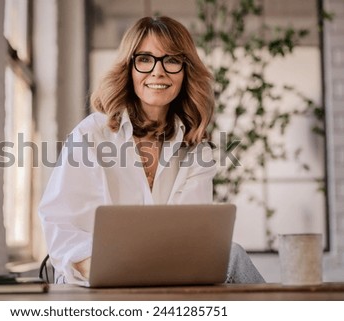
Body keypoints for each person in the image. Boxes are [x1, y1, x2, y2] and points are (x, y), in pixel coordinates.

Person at [38, 16, 264, 285]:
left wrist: (157, 270)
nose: (158, 72)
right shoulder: (91, 134)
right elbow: (60, 227)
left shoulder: (195, 147)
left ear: (185, 71)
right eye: (145, 59)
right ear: (130, 68)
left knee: (232, 255)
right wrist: (110, 271)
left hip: (166, 270)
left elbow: (190, 238)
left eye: (171, 60)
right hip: (92, 275)